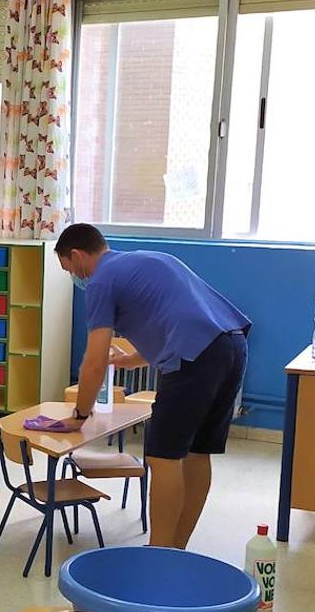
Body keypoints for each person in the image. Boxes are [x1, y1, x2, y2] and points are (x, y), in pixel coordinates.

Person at [55, 223, 251, 550]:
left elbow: (93, 360)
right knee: (196, 453)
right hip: (232, 347)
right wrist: (131, 359)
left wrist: (80, 414)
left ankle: (159, 551)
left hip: (196, 357)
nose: (76, 279)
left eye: (70, 270)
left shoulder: (102, 279)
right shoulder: (148, 260)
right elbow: (174, 318)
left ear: (77, 255)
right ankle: (176, 548)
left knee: (162, 456)